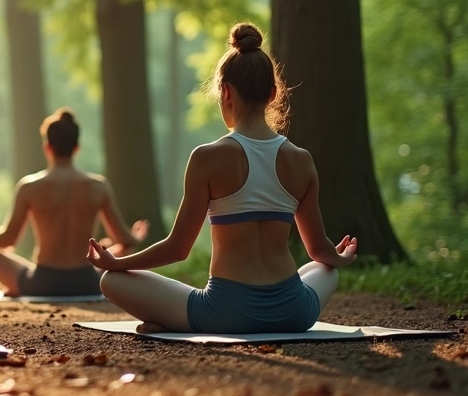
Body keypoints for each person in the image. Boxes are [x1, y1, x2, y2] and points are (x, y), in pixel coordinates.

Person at [89, 23, 357, 334]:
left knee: (112, 281)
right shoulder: (301, 160)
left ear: (225, 92)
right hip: (294, 311)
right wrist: (342, 257)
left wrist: (116, 263)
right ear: (273, 94)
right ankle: (170, 319)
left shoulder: (207, 157)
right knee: (325, 270)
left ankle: (170, 321)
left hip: (224, 314)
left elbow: (177, 249)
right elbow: (319, 252)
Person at [0, 109, 148, 297]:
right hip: (89, 282)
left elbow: (9, 238)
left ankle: (15, 287)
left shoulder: (29, 186)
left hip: (41, 283)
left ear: (47, 147)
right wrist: (136, 238)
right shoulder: (99, 186)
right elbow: (123, 239)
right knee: (126, 249)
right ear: (76, 148)